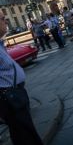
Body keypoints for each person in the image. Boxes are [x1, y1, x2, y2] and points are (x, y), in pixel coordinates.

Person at [0, 12, 44, 145]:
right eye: (2, 19)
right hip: (9, 97)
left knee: (26, 132)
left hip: (15, 94)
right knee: (24, 136)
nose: (6, 21)